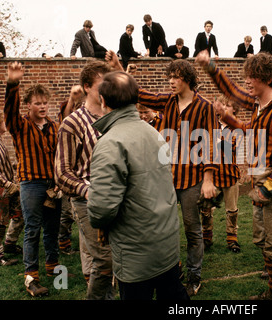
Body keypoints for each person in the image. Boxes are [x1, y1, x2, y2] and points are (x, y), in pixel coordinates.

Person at [196, 50, 272, 300]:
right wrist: (210, 67)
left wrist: (267, 189)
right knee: (264, 242)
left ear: (265, 78)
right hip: (259, 183)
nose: (246, 82)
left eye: (251, 77)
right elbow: (235, 98)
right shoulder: (259, 105)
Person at [86, 70, 189, 300]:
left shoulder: (110, 142)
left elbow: (101, 208)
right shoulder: (154, 133)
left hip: (136, 254)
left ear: (103, 101)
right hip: (166, 245)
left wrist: (101, 223)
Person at [137, 59, 219, 297]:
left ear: (188, 79)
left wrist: (208, 179)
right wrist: (119, 68)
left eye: (176, 76)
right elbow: (141, 95)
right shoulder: (167, 101)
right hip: (167, 178)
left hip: (192, 179)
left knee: (192, 229)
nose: (171, 81)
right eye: (169, 76)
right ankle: (173, 270)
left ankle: (194, 276)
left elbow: (212, 143)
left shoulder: (204, 107)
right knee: (164, 228)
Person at [55, 53, 123, 299]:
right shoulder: (72, 123)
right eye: (102, 84)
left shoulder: (115, 119)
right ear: (86, 87)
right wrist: (88, 189)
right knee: (104, 260)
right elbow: (62, 174)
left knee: (118, 259)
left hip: (119, 198)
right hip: (88, 202)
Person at [4, 61, 62, 297]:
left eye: (45, 102)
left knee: (52, 229)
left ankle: (54, 270)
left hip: (53, 185)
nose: (42, 106)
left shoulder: (55, 127)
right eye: (37, 103)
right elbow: (9, 109)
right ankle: (31, 277)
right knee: (32, 230)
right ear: (28, 105)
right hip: (31, 184)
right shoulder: (20, 126)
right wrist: (13, 83)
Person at [201, 95, 242, 253]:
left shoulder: (237, 126)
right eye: (222, 105)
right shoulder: (212, 124)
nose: (224, 108)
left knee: (231, 210)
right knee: (206, 208)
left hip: (230, 174)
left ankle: (232, 239)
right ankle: (207, 237)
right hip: (212, 176)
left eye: (227, 105)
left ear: (234, 109)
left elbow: (231, 146)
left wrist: (215, 142)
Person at [0, 109, 23, 266]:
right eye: (3, 121)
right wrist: (7, 184)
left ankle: (10, 243)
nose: (5, 123)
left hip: (8, 187)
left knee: (20, 213)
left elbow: (1, 165)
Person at [56, 85, 85, 256]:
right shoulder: (68, 123)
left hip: (83, 173)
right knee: (66, 212)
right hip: (69, 174)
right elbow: (65, 117)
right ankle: (63, 242)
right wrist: (72, 99)